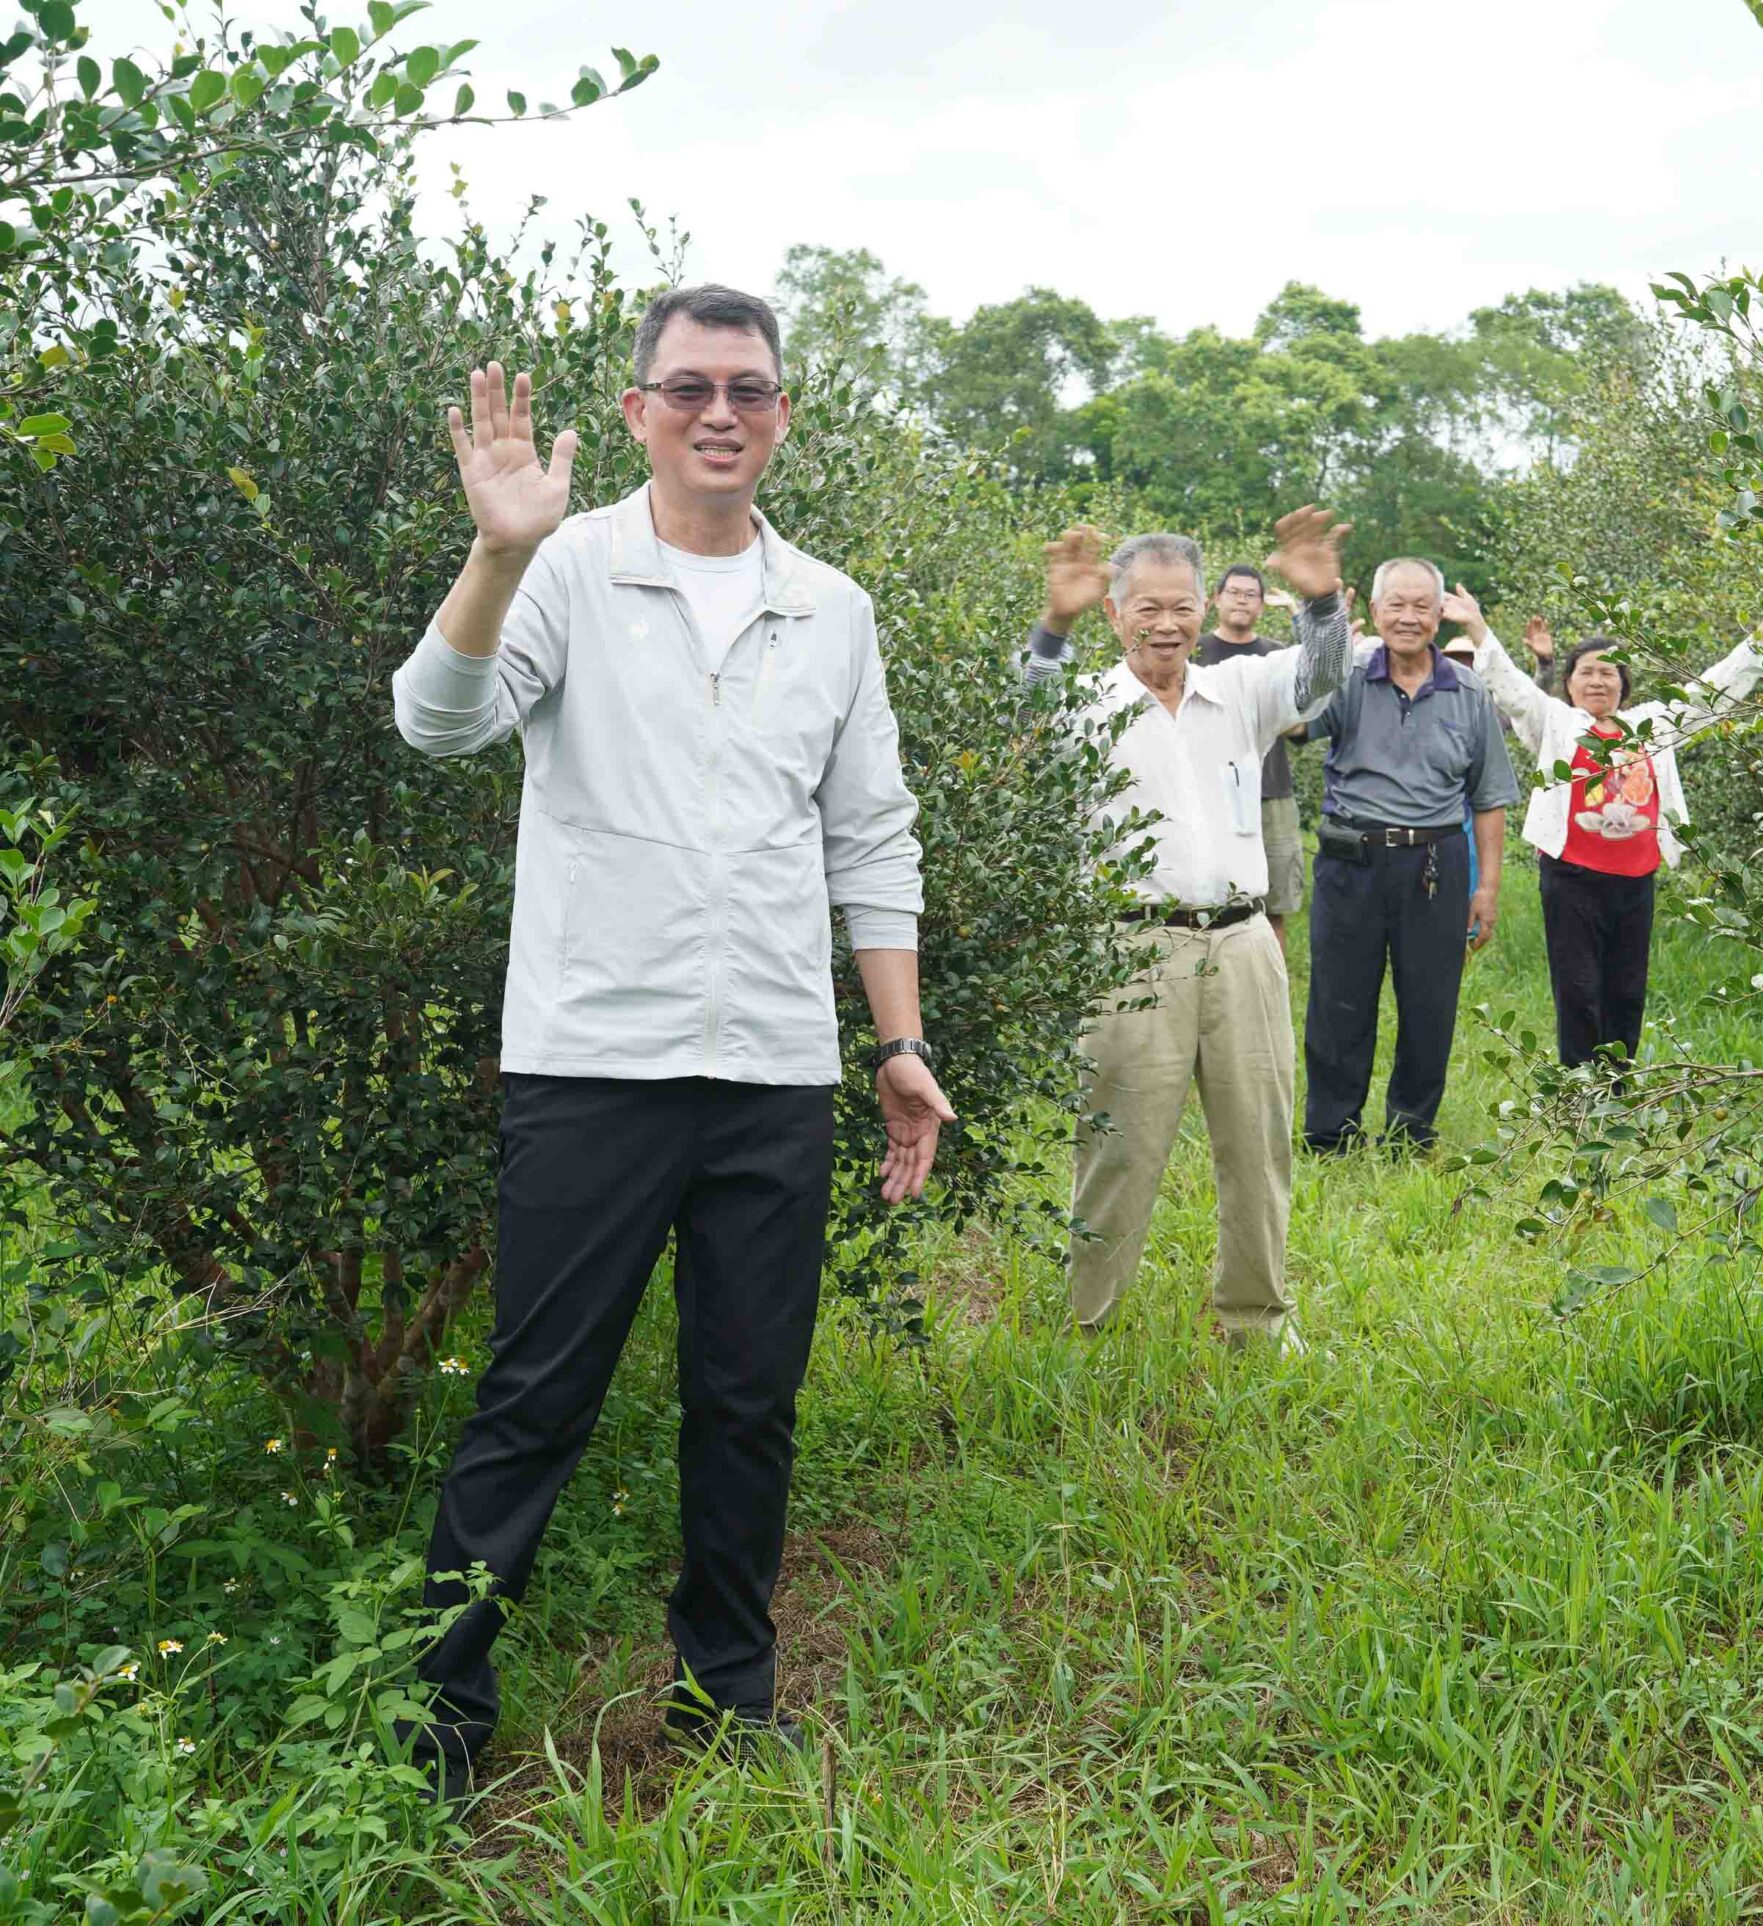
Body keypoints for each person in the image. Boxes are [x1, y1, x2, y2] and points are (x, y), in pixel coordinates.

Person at [389, 285, 955, 1795]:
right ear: (638, 410)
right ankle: (437, 1716)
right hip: (595, 1059)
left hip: (774, 1063)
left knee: (749, 1395)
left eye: (750, 389)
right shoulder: (565, 570)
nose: (722, 411)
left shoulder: (831, 608)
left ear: (782, 416)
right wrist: (496, 549)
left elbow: (872, 834)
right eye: (690, 385)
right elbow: (439, 724)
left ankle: (727, 1691)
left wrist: (896, 1041)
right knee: (537, 1392)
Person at [1023, 513, 1354, 1338]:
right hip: (1134, 947)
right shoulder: (1086, 704)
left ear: (1204, 611)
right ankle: (1088, 1320)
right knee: (1120, 1147)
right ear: (1115, 613)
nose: (1165, 624)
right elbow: (1022, 715)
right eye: (1146, 607)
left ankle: (1256, 1322)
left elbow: (1319, 682)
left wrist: (1322, 605)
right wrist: (1052, 623)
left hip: (1244, 942)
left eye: (1181, 607)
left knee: (1258, 1144)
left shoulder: (1239, 692)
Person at [1452, 588, 1763, 1067]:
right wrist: (1477, 628)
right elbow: (1513, 689)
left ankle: (1617, 1085)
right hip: (1572, 878)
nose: (1597, 681)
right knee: (1578, 987)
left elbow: (1709, 694)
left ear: (1623, 684)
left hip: (1635, 880)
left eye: (1608, 672)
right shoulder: (1557, 722)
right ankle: (1578, 1086)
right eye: (1586, 672)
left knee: (1626, 990)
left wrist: (1758, 644)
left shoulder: (1650, 724)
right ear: (1569, 683)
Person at [1300, 558, 1519, 1153]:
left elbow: (1491, 797)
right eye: (1396, 604)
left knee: (1429, 1003)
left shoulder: (1469, 691)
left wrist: (1487, 888)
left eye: (1422, 606)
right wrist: (1321, 637)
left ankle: (1410, 1132)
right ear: (1374, 613)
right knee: (1338, 1001)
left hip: (1435, 864)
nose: (1408, 617)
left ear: (1439, 612)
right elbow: (1293, 722)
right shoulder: (1346, 680)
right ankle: (1330, 1133)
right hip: (1351, 861)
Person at [1194, 564, 1306, 942]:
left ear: (1261, 605)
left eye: (1251, 594)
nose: (1242, 599)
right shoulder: (1193, 650)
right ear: (1215, 599)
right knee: (1204, 897)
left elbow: (1299, 724)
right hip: (1206, 794)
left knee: (1274, 902)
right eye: (1234, 592)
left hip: (1270, 793)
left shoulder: (1275, 655)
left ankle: (1273, 993)